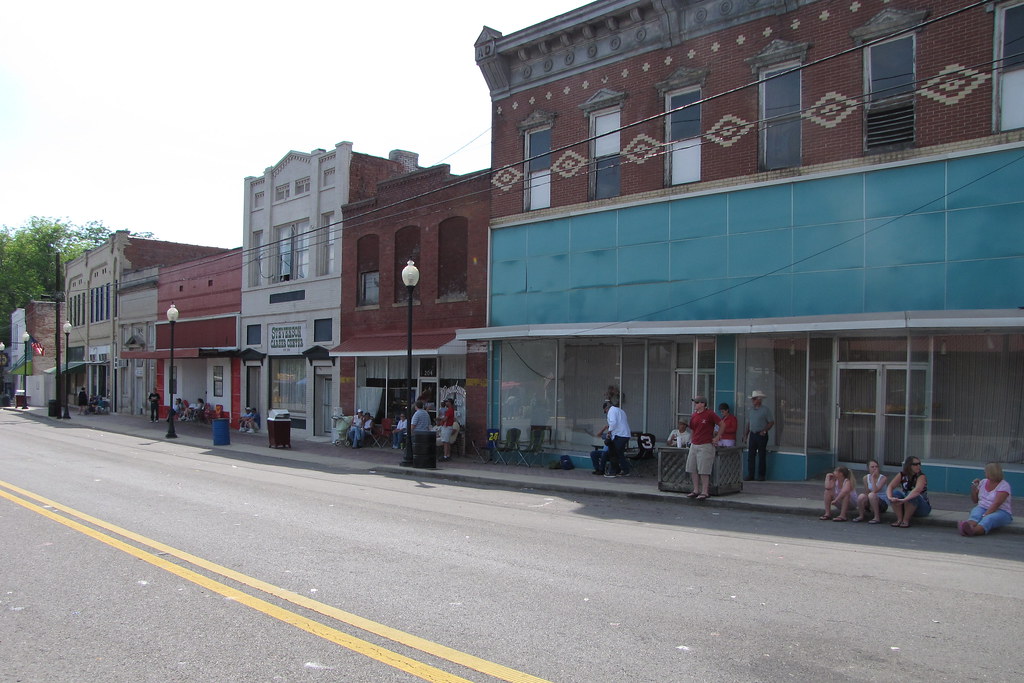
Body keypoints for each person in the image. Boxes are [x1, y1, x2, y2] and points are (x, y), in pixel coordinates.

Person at [959, 462, 1013, 536]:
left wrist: (985, 515)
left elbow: (996, 504)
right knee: (975, 514)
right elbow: (975, 500)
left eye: (986, 472)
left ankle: (973, 531)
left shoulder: (1004, 485)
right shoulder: (983, 482)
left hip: (1001, 511)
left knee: (988, 519)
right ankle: (967, 526)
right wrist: (974, 488)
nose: (985, 473)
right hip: (982, 507)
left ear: (991, 473)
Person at [686, 396, 721, 500]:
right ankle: (696, 489)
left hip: (705, 444)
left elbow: (722, 424)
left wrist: (717, 437)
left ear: (702, 404)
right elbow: (693, 429)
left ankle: (705, 491)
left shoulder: (710, 414)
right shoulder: (694, 415)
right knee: (692, 467)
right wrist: (691, 440)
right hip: (695, 443)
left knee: (704, 469)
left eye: (697, 403)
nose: (695, 405)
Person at [886, 456, 931, 528]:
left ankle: (905, 520)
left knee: (911, 494)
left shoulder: (921, 476)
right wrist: (890, 497)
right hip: (907, 504)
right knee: (895, 493)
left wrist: (904, 500)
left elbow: (917, 490)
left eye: (919, 464)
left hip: (922, 508)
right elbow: (890, 486)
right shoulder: (902, 475)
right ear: (909, 465)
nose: (918, 466)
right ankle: (899, 519)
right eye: (915, 464)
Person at [742, 390, 775, 481]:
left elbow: (771, 422)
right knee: (751, 455)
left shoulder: (765, 410)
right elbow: (749, 423)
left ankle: (761, 475)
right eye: (753, 399)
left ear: (759, 400)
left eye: (754, 399)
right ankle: (751, 474)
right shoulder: (751, 410)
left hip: (761, 434)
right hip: (753, 434)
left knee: (761, 455)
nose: (753, 401)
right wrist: (746, 434)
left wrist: (765, 430)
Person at [853, 459, 889, 523]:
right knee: (861, 496)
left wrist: (872, 478)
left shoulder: (883, 478)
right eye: (872, 467)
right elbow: (867, 491)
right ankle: (861, 516)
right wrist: (866, 503)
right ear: (868, 468)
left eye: (876, 466)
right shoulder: (865, 478)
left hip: (882, 503)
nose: (875, 468)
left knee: (872, 495)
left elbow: (875, 490)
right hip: (870, 501)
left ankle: (876, 517)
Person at [604, 399, 632, 478]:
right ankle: (624, 470)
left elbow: (613, 423)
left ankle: (614, 471)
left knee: (614, 453)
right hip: (625, 434)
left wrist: (609, 432)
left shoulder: (611, 411)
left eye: (605, 411)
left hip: (619, 435)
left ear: (606, 409)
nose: (606, 413)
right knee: (620, 453)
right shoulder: (620, 410)